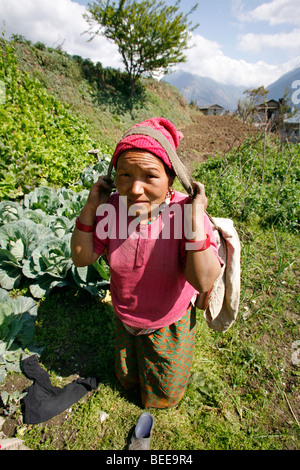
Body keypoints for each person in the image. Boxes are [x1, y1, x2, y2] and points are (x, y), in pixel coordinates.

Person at [71, 117, 222, 409]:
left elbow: (202, 281)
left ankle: (160, 397)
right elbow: (81, 258)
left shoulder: (184, 213)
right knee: (127, 376)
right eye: (124, 175)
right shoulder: (112, 208)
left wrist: (194, 220)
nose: (135, 188)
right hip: (125, 316)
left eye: (150, 176)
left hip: (168, 322)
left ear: (171, 179)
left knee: (164, 391)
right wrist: (92, 206)